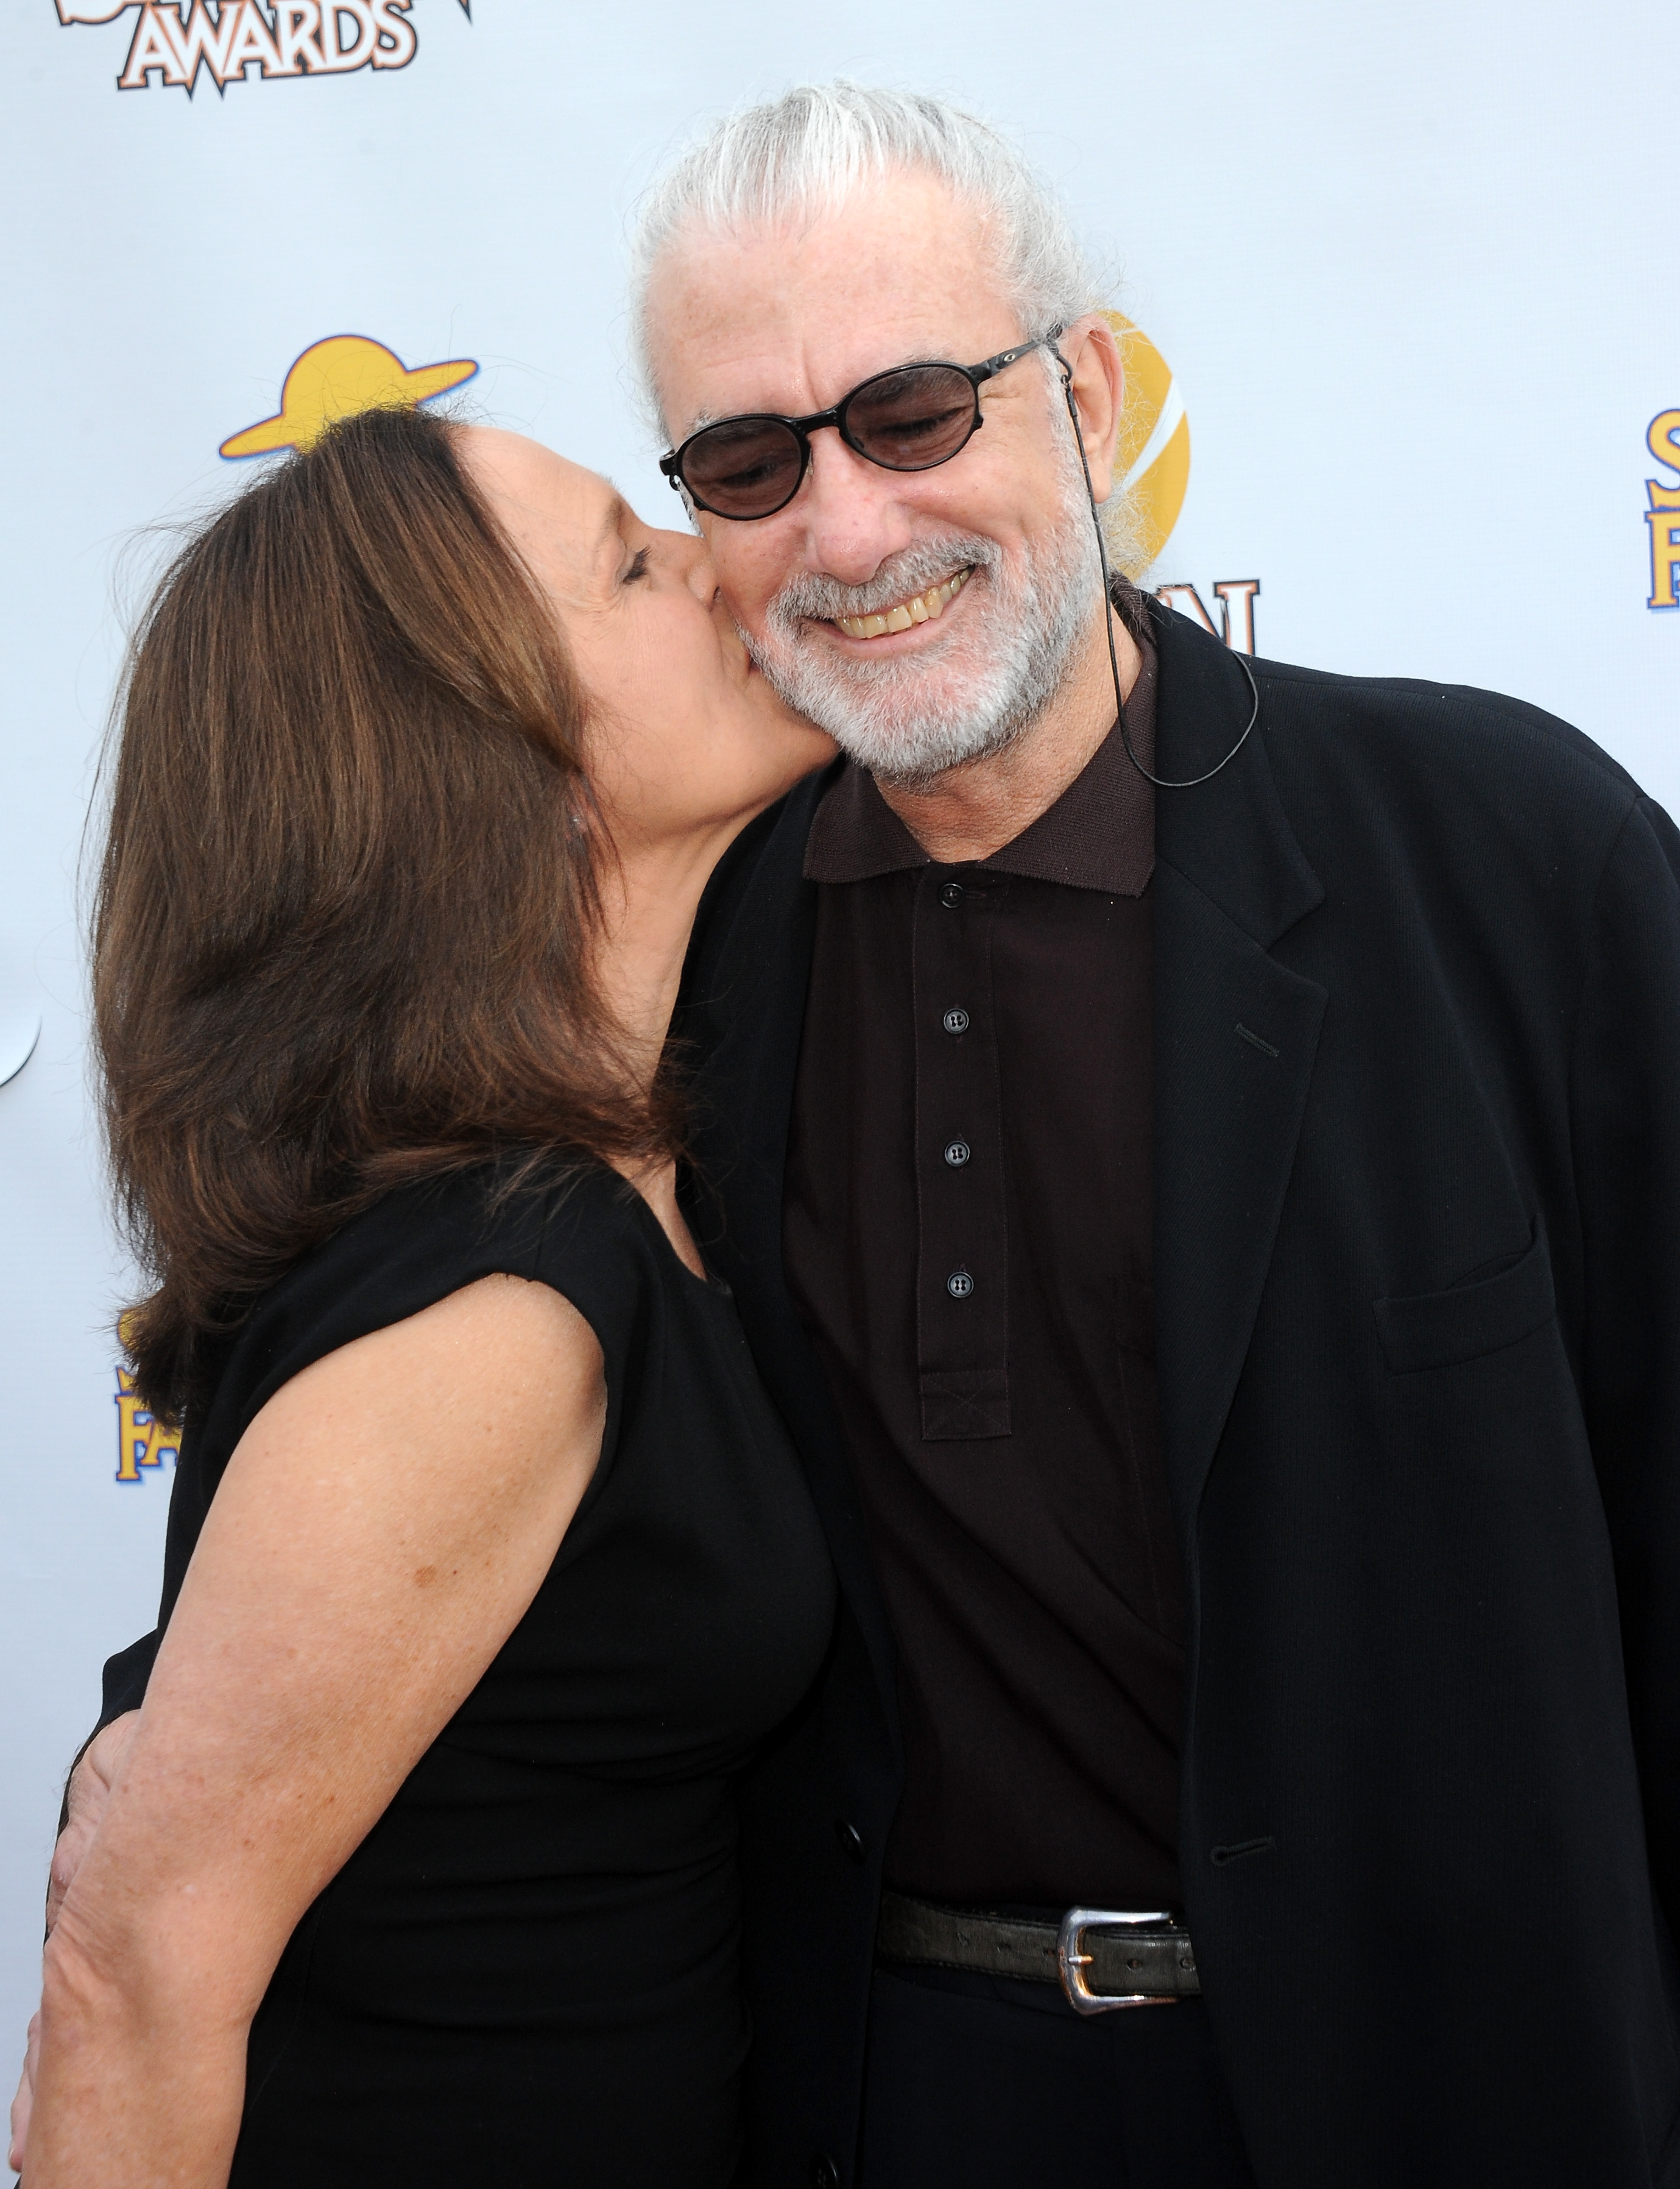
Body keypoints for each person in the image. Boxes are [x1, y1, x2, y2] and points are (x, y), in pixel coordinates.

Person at [20, 80, 1680, 2189]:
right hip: (876, 2106)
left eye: (911, 412)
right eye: (742, 464)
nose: (847, 528)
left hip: (1457, 2089)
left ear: (1080, 391)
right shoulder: (664, 1003)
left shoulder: (1507, 861)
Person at [12, 403, 838, 2187]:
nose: (725, 564)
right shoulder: (490, 1313)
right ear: (500, 756)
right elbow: (130, 1992)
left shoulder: (617, 1181)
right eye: (635, 560)